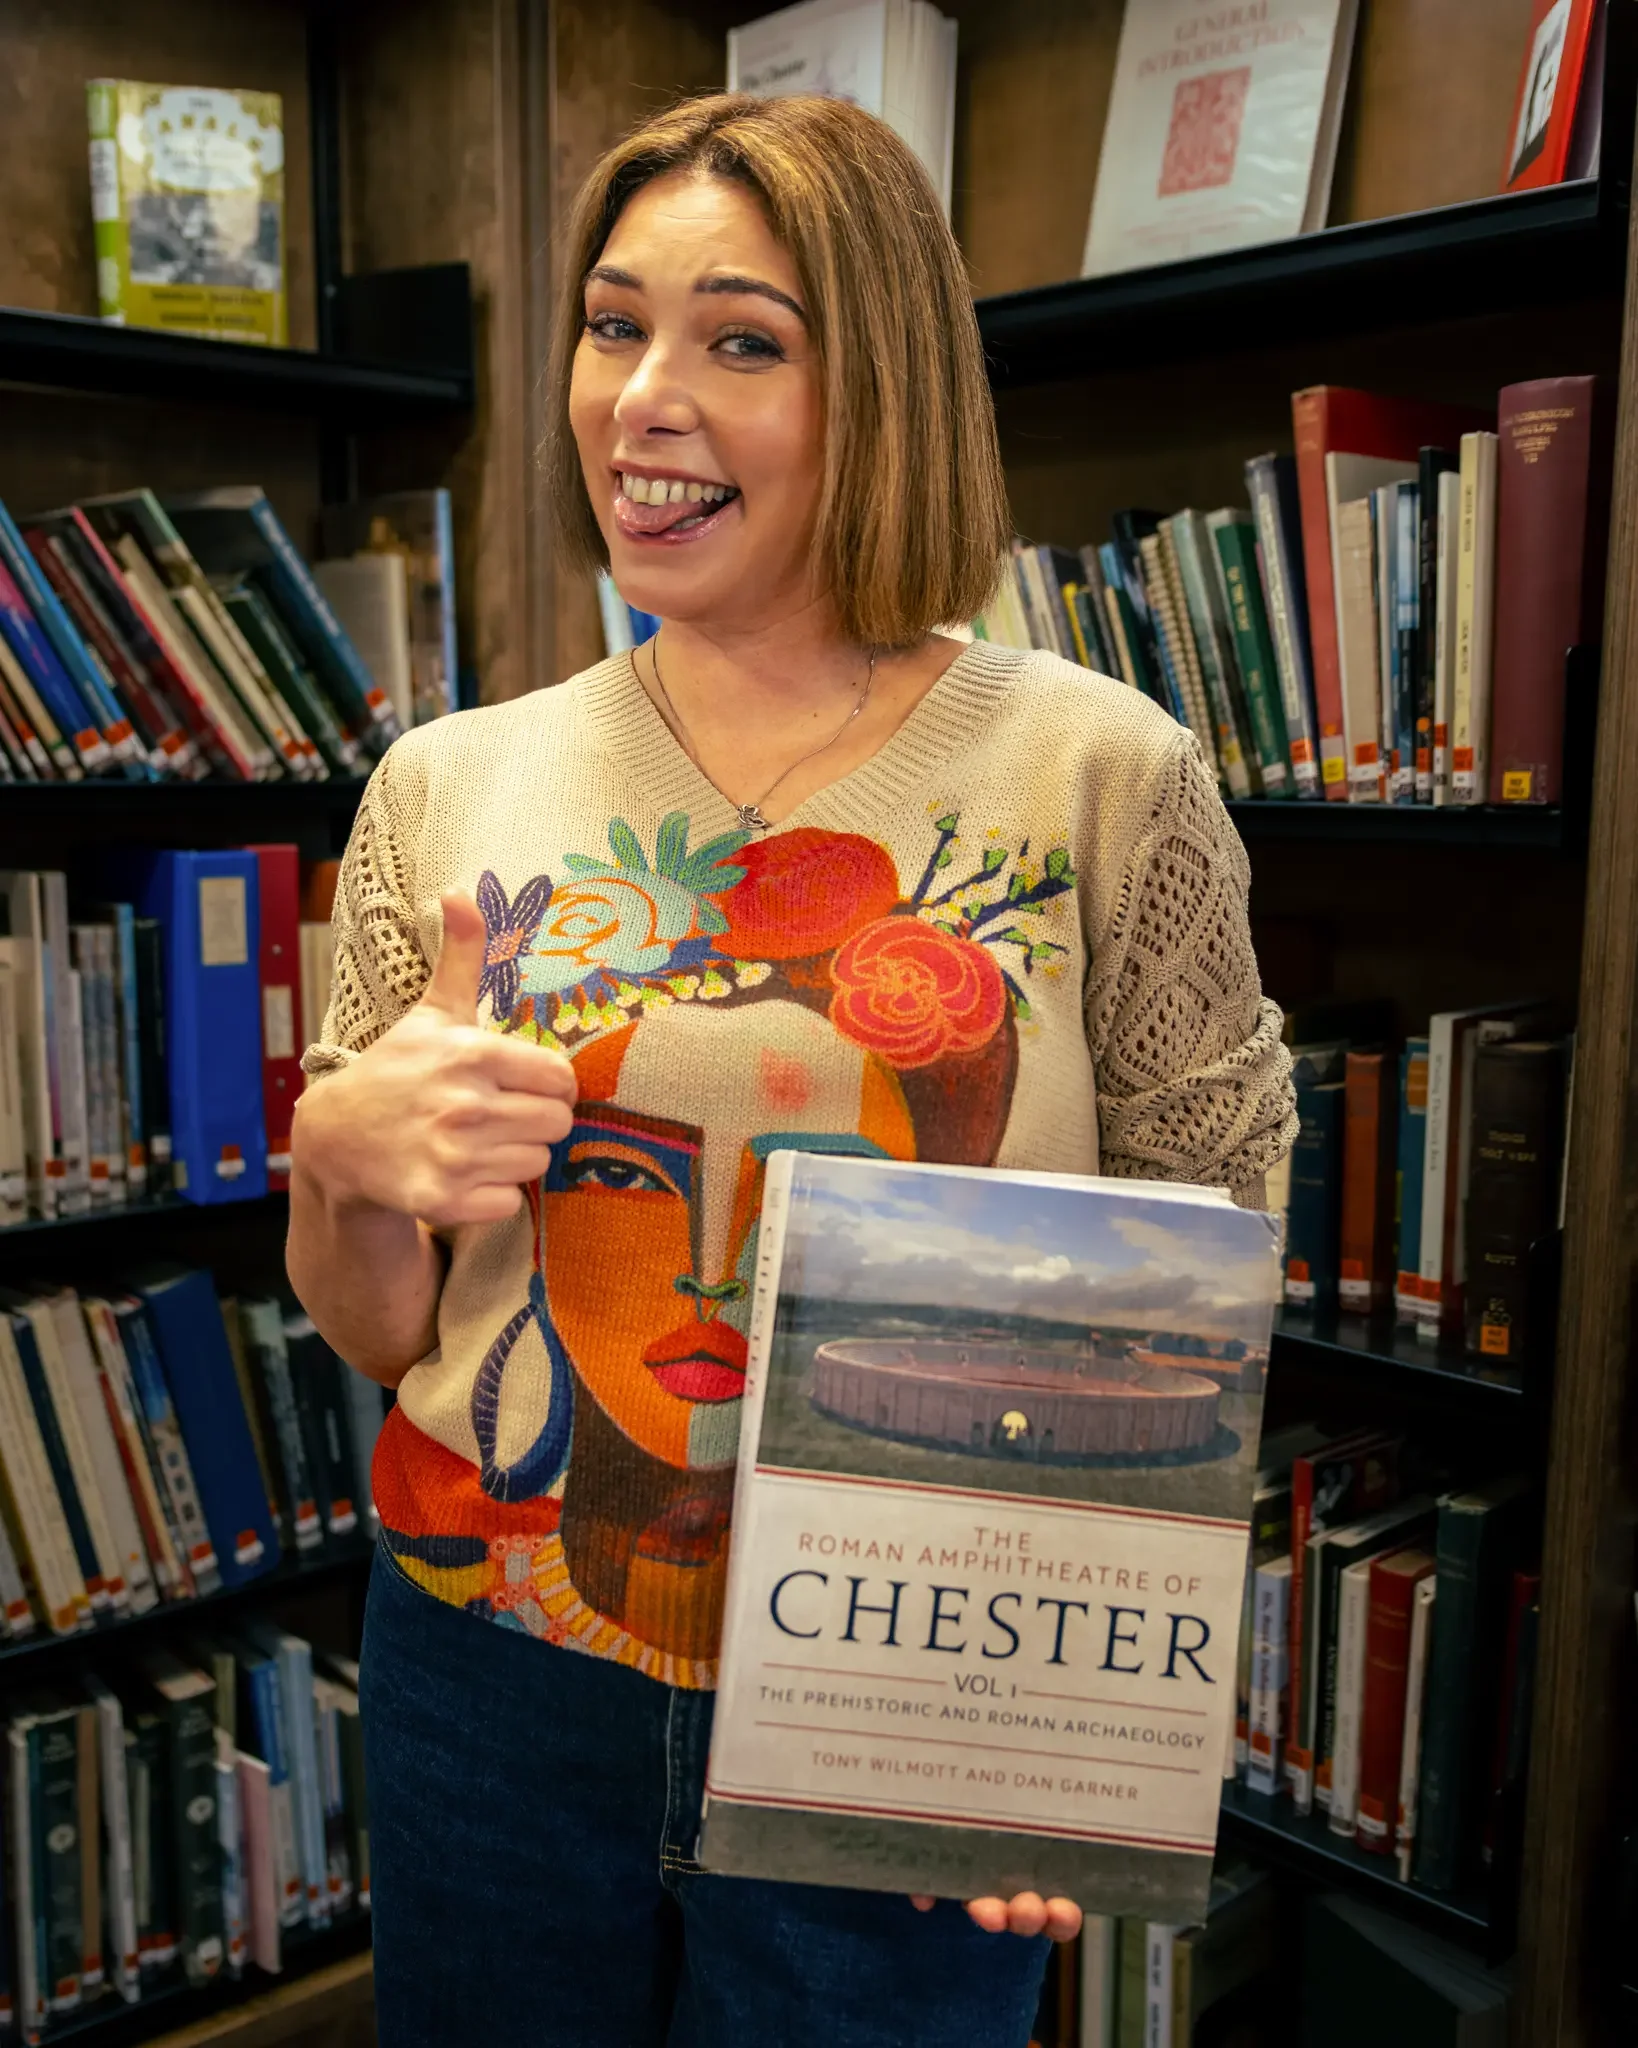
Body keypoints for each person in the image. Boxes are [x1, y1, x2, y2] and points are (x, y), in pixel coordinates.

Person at [288, 90, 1296, 2048]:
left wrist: (1069, 1723)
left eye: (741, 340)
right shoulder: (443, 784)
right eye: (613, 325)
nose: (642, 399)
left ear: (883, 386)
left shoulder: (1103, 771)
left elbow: (1205, 1268)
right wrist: (346, 1161)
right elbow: (378, 1321)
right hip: (495, 1683)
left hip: (903, 1695)